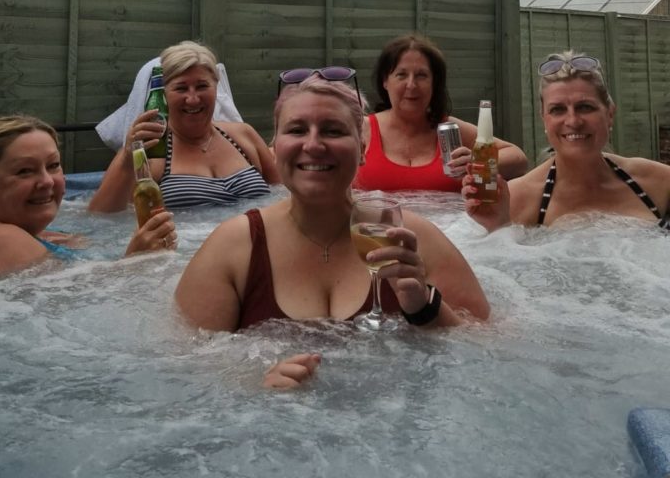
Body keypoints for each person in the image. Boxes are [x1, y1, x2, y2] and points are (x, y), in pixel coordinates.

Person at [175, 73, 490, 389]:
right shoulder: (234, 248)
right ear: (275, 148)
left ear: (363, 149)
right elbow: (182, 375)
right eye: (297, 130)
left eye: (333, 130)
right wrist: (251, 384)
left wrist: (425, 306)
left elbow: (492, 354)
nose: (313, 144)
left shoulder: (410, 237)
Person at [463, 51, 670, 231]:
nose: (573, 121)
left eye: (585, 107)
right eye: (558, 110)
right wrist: (497, 228)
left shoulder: (660, 183)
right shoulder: (516, 198)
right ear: (544, 119)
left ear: (610, 114)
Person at [0, 115, 176, 275]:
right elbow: (87, 300)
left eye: (53, 165)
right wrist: (136, 260)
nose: (46, 181)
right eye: (25, 171)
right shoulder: (2, 241)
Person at [88, 41, 278, 214]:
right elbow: (101, 218)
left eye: (202, 86)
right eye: (181, 88)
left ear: (216, 87)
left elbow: (285, 194)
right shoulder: (152, 149)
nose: (193, 99)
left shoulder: (243, 135)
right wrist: (126, 159)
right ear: (163, 93)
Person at [353, 34, 528, 193]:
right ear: (385, 81)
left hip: (449, 228)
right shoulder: (361, 129)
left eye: (421, 75)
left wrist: (477, 163)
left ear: (434, 83)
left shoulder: (450, 129)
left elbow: (518, 159)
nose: (411, 85)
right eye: (401, 75)